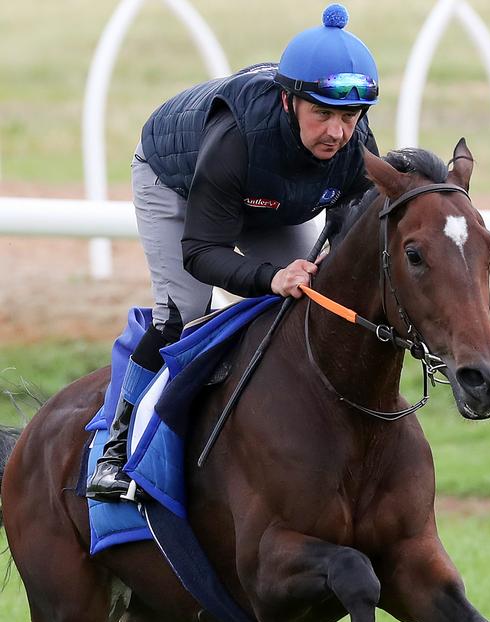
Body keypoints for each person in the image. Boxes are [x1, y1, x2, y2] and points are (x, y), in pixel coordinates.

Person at [86, 4, 380, 502]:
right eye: (322, 113)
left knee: (314, 295)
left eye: (349, 115)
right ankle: (115, 450)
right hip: (177, 179)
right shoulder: (236, 140)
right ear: (289, 102)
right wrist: (270, 278)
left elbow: (352, 225)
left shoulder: (356, 143)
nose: (336, 132)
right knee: (183, 312)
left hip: (264, 193)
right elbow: (201, 253)